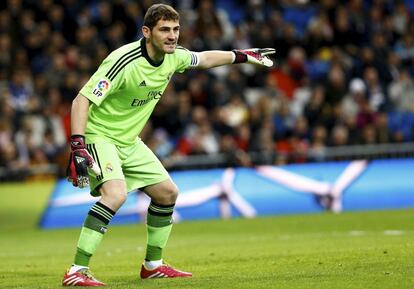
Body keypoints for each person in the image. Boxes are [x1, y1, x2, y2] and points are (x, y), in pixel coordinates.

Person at [62, 3, 274, 287]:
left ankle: (152, 265)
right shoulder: (122, 61)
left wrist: (241, 55)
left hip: (128, 141)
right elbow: (81, 100)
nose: (172, 35)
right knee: (115, 195)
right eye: (165, 30)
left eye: (176, 29)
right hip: (99, 136)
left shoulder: (173, 57)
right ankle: (76, 271)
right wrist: (78, 146)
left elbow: (204, 58)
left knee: (167, 193)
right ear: (147, 32)